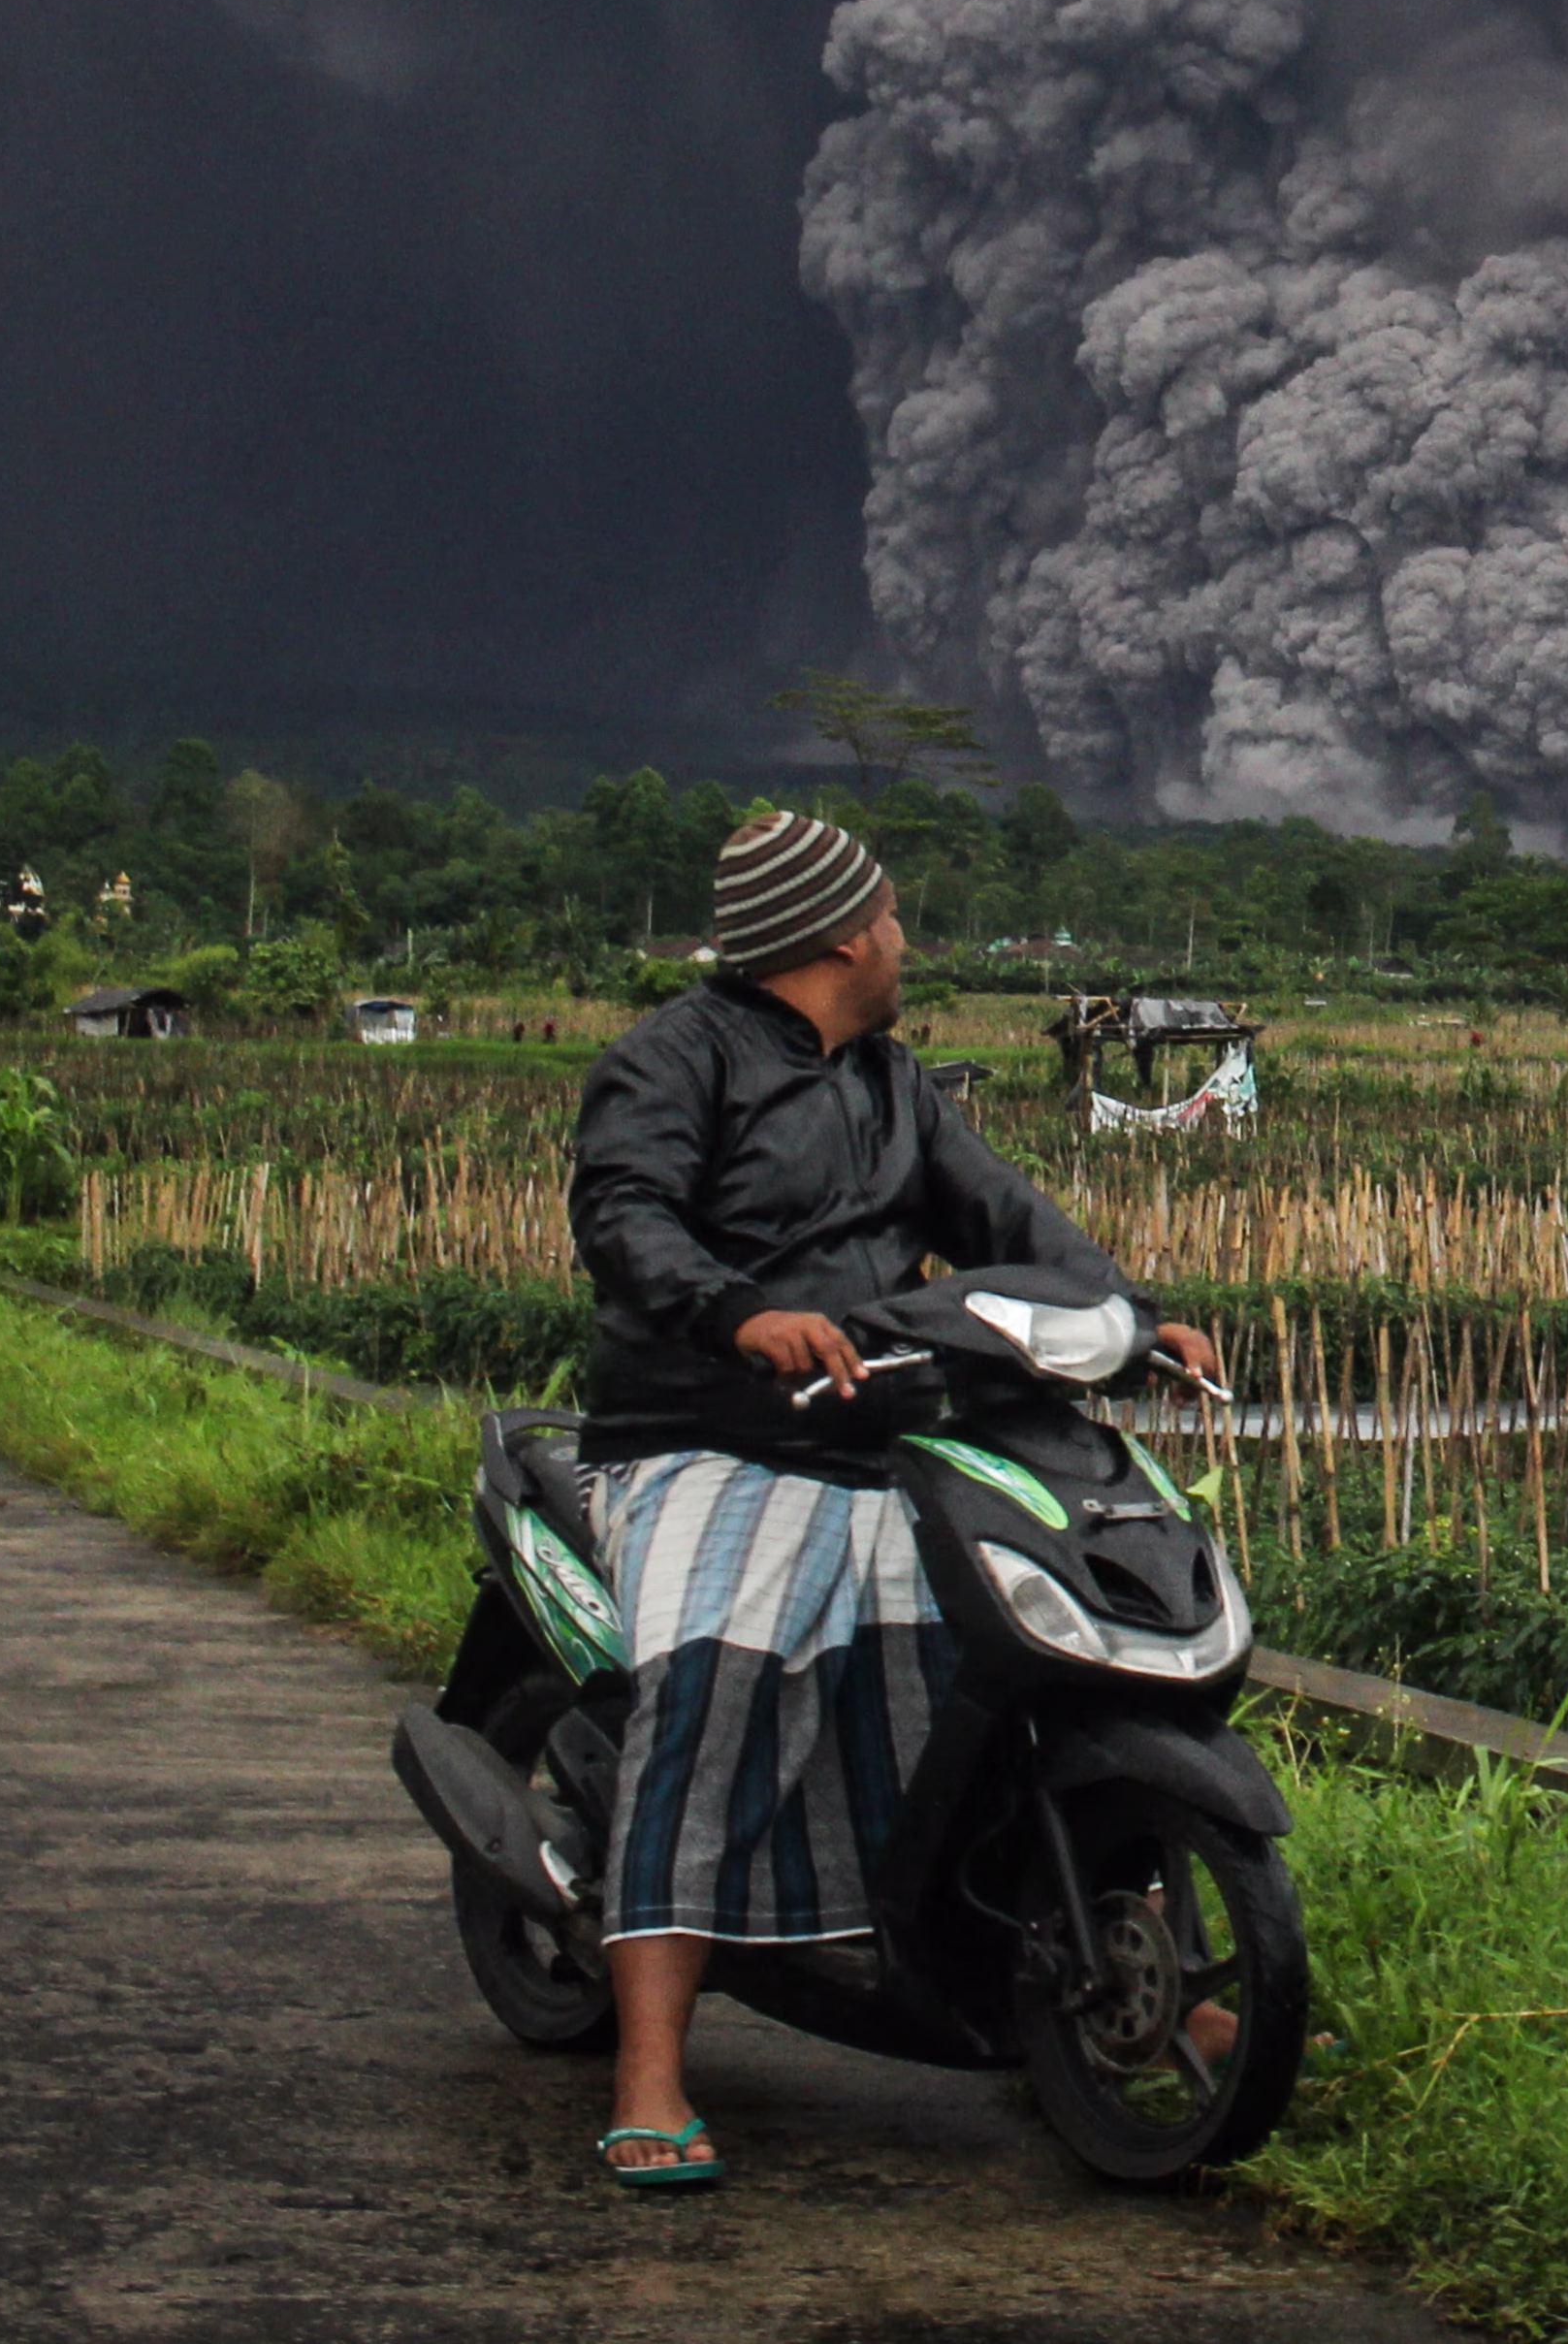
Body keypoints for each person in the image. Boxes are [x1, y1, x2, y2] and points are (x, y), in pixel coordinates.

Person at [562, 805, 1223, 2192]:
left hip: (880, 1425)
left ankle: (1060, 1965)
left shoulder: (892, 1081)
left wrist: (1135, 1316)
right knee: (714, 1674)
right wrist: (738, 1316)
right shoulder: (670, 1064)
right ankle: (649, 2069)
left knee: (1003, 1666)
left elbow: (1008, 1216)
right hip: (702, 1433)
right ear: (844, 934)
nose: (906, 936)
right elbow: (627, 1220)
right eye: (896, 915)